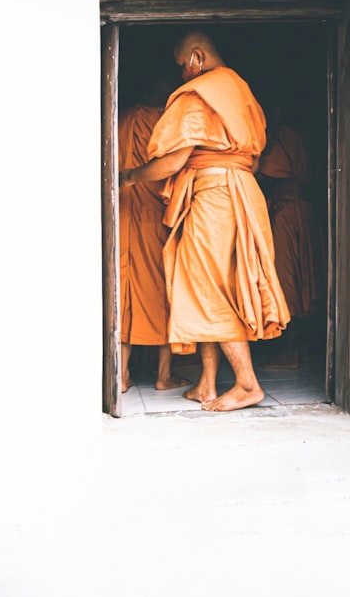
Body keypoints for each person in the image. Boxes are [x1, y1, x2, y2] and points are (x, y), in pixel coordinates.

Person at [118, 30, 290, 412]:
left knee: (209, 287)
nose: (182, 75)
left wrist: (129, 177)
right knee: (210, 282)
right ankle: (207, 384)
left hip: (214, 195)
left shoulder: (202, 92)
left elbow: (174, 161)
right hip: (242, 191)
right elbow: (256, 159)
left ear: (197, 57)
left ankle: (247, 384)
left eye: (182, 66)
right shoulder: (241, 92)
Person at [118, 77, 190, 393]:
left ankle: (121, 376)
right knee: (163, 292)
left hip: (120, 212)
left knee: (122, 294)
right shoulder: (163, 121)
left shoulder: (118, 119)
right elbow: (172, 165)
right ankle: (164, 375)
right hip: (153, 215)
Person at [256, 104, 318, 368]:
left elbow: (270, 171)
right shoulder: (302, 138)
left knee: (286, 279)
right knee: (303, 278)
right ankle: (300, 350)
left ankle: (289, 352)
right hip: (302, 213)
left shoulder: (282, 137)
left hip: (285, 216)